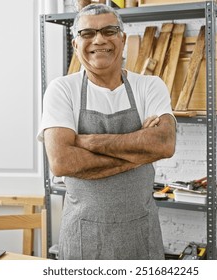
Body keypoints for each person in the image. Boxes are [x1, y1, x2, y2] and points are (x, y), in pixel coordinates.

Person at [37, 4, 176, 260]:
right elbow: (62, 162)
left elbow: (164, 144)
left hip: (141, 234)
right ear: (75, 43)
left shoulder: (149, 86)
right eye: (87, 33)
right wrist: (140, 152)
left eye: (109, 31)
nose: (99, 39)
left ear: (122, 38)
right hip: (82, 236)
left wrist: (90, 142)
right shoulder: (62, 90)